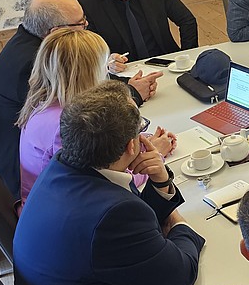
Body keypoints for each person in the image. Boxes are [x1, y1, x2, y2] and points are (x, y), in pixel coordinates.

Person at [14, 81, 205, 285]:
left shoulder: (65, 167)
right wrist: (182, 224)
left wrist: (161, 184)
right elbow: (180, 273)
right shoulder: (111, 214)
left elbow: (128, 241)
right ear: (132, 145)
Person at [0, 0, 159, 197]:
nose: (86, 26)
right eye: (81, 24)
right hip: (21, 186)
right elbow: (102, 182)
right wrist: (151, 156)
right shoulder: (66, 121)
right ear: (56, 32)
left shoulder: (44, 63)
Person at [15, 28, 176, 201]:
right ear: (88, 74)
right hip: (67, 209)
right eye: (104, 66)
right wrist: (155, 158)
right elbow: (107, 183)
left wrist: (139, 143)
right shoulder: (68, 123)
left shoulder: (45, 103)